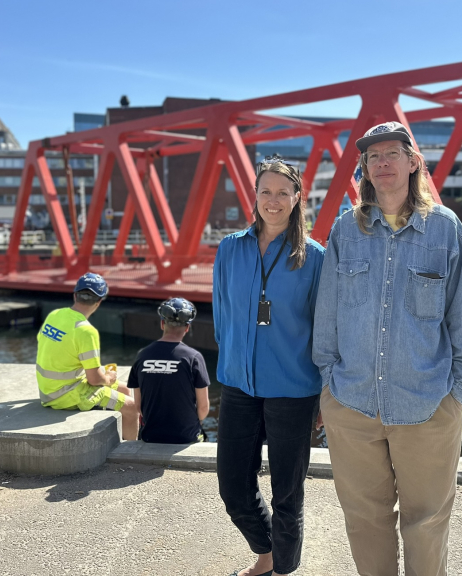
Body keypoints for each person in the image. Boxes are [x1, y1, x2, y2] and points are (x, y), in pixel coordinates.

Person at [313, 121, 462, 576]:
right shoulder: (344, 232)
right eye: (373, 157)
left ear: (414, 163)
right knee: (364, 521)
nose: (383, 162)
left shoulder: (445, 230)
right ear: (365, 170)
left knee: (427, 523)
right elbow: (326, 317)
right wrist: (328, 387)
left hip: (428, 404)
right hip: (352, 404)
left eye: (393, 153)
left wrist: (458, 395)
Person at [213, 155, 326, 576]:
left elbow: (322, 327)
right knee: (233, 487)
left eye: (283, 193)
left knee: (287, 494)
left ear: (297, 198)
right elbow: (222, 313)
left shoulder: (314, 257)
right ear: (254, 195)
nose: (273, 201)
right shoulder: (230, 248)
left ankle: (280, 568)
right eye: (266, 191)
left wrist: (321, 395)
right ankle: (268, 549)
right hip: (239, 384)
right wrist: (228, 364)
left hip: (293, 388)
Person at [35, 272, 138, 440]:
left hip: (48, 390)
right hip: (65, 395)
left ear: (75, 295)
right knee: (132, 406)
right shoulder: (86, 331)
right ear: (98, 302)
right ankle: (129, 455)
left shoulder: (55, 315)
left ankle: (122, 434)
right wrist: (108, 378)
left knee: (125, 389)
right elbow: (94, 380)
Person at [127, 297, 211, 444]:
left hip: (151, 436)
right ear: (187, 328)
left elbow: (138, 406)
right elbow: (203, 407)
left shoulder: (142, 355)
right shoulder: (194, 358)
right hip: (185, 437)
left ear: (162, 324)